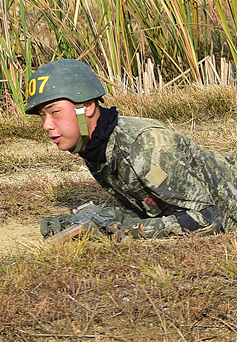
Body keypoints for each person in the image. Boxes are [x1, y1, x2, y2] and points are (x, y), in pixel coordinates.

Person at [25, 58, 237, 240]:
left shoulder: (146, 146)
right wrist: (101, 219)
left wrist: (129, 231)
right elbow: (151, 206)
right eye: (43, 115)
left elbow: (210, 216)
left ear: (87, 106)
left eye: (55, 112)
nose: (47, 125)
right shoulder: (95, 146)